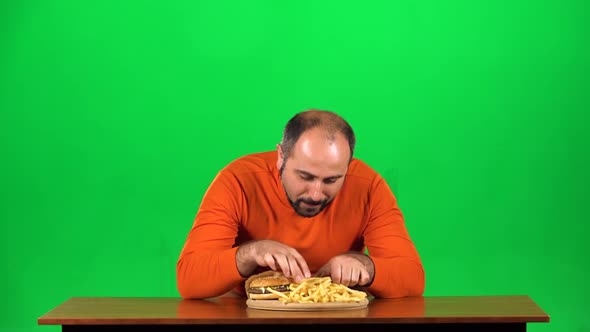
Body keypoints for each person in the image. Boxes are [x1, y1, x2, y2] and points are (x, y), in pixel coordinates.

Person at [176, 109, 425, 299]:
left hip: (339, 316)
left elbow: (412, 278)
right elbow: (189, 279)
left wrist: (367, 266)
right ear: (281, 157)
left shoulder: (369, 186)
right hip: (248, 315)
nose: (316, 194)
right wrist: (250, 253)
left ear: (348, 167)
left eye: (332, 180)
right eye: (304, 177)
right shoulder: (237, 181)